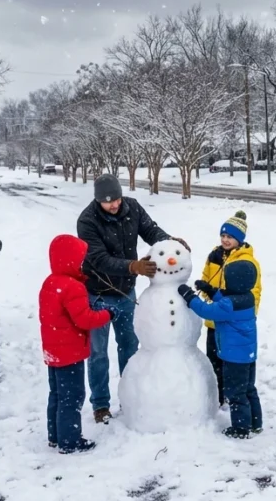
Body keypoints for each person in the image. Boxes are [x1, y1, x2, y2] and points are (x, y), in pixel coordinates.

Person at [76, 173, 188, 424]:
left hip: (126, 293)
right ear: (98, 200)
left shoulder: (132, 207)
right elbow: (99, 259)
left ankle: (130, 397)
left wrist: (171, 243)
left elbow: (151, 231)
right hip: (98, 295)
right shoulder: (87, 220)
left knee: (129, 347)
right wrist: (133, 267)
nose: (114, 204)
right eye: (108, 201)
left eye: (116, 199)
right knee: (98, 353)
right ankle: (101, 404)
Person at [39, 234, 113, 454]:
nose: (83, 264)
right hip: (69, 353)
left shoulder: (51, 282)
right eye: (80, 259)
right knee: (72, 396)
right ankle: (70, 441)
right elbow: (85, 320)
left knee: (57, 394)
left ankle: (55, 435)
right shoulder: (73, 287)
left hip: (54, 351)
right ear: (69, 259)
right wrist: (107, 314)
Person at [178, 256, 262, 439]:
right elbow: (227, 299)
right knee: (248, 388)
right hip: (247, 355)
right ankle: (255, 423)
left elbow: (206, 310)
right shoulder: (247, 297)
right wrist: (210, 290)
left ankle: (241, 428)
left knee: (236, 393)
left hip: (234, 358)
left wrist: (189, 297)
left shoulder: (229, 305)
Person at [195, 210, 261, 406]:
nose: (225, 240)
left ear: (239, 239)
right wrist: (206, 290)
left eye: (230, 237)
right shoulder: (214, 255)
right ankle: (217, 395)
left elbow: (254, 291)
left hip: (233, 322)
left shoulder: (246, 262)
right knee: (213, 359)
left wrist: (246, 315)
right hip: (214, 319)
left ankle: (232, 395)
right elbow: (207, 276)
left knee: (231, 362)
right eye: (223, 235)